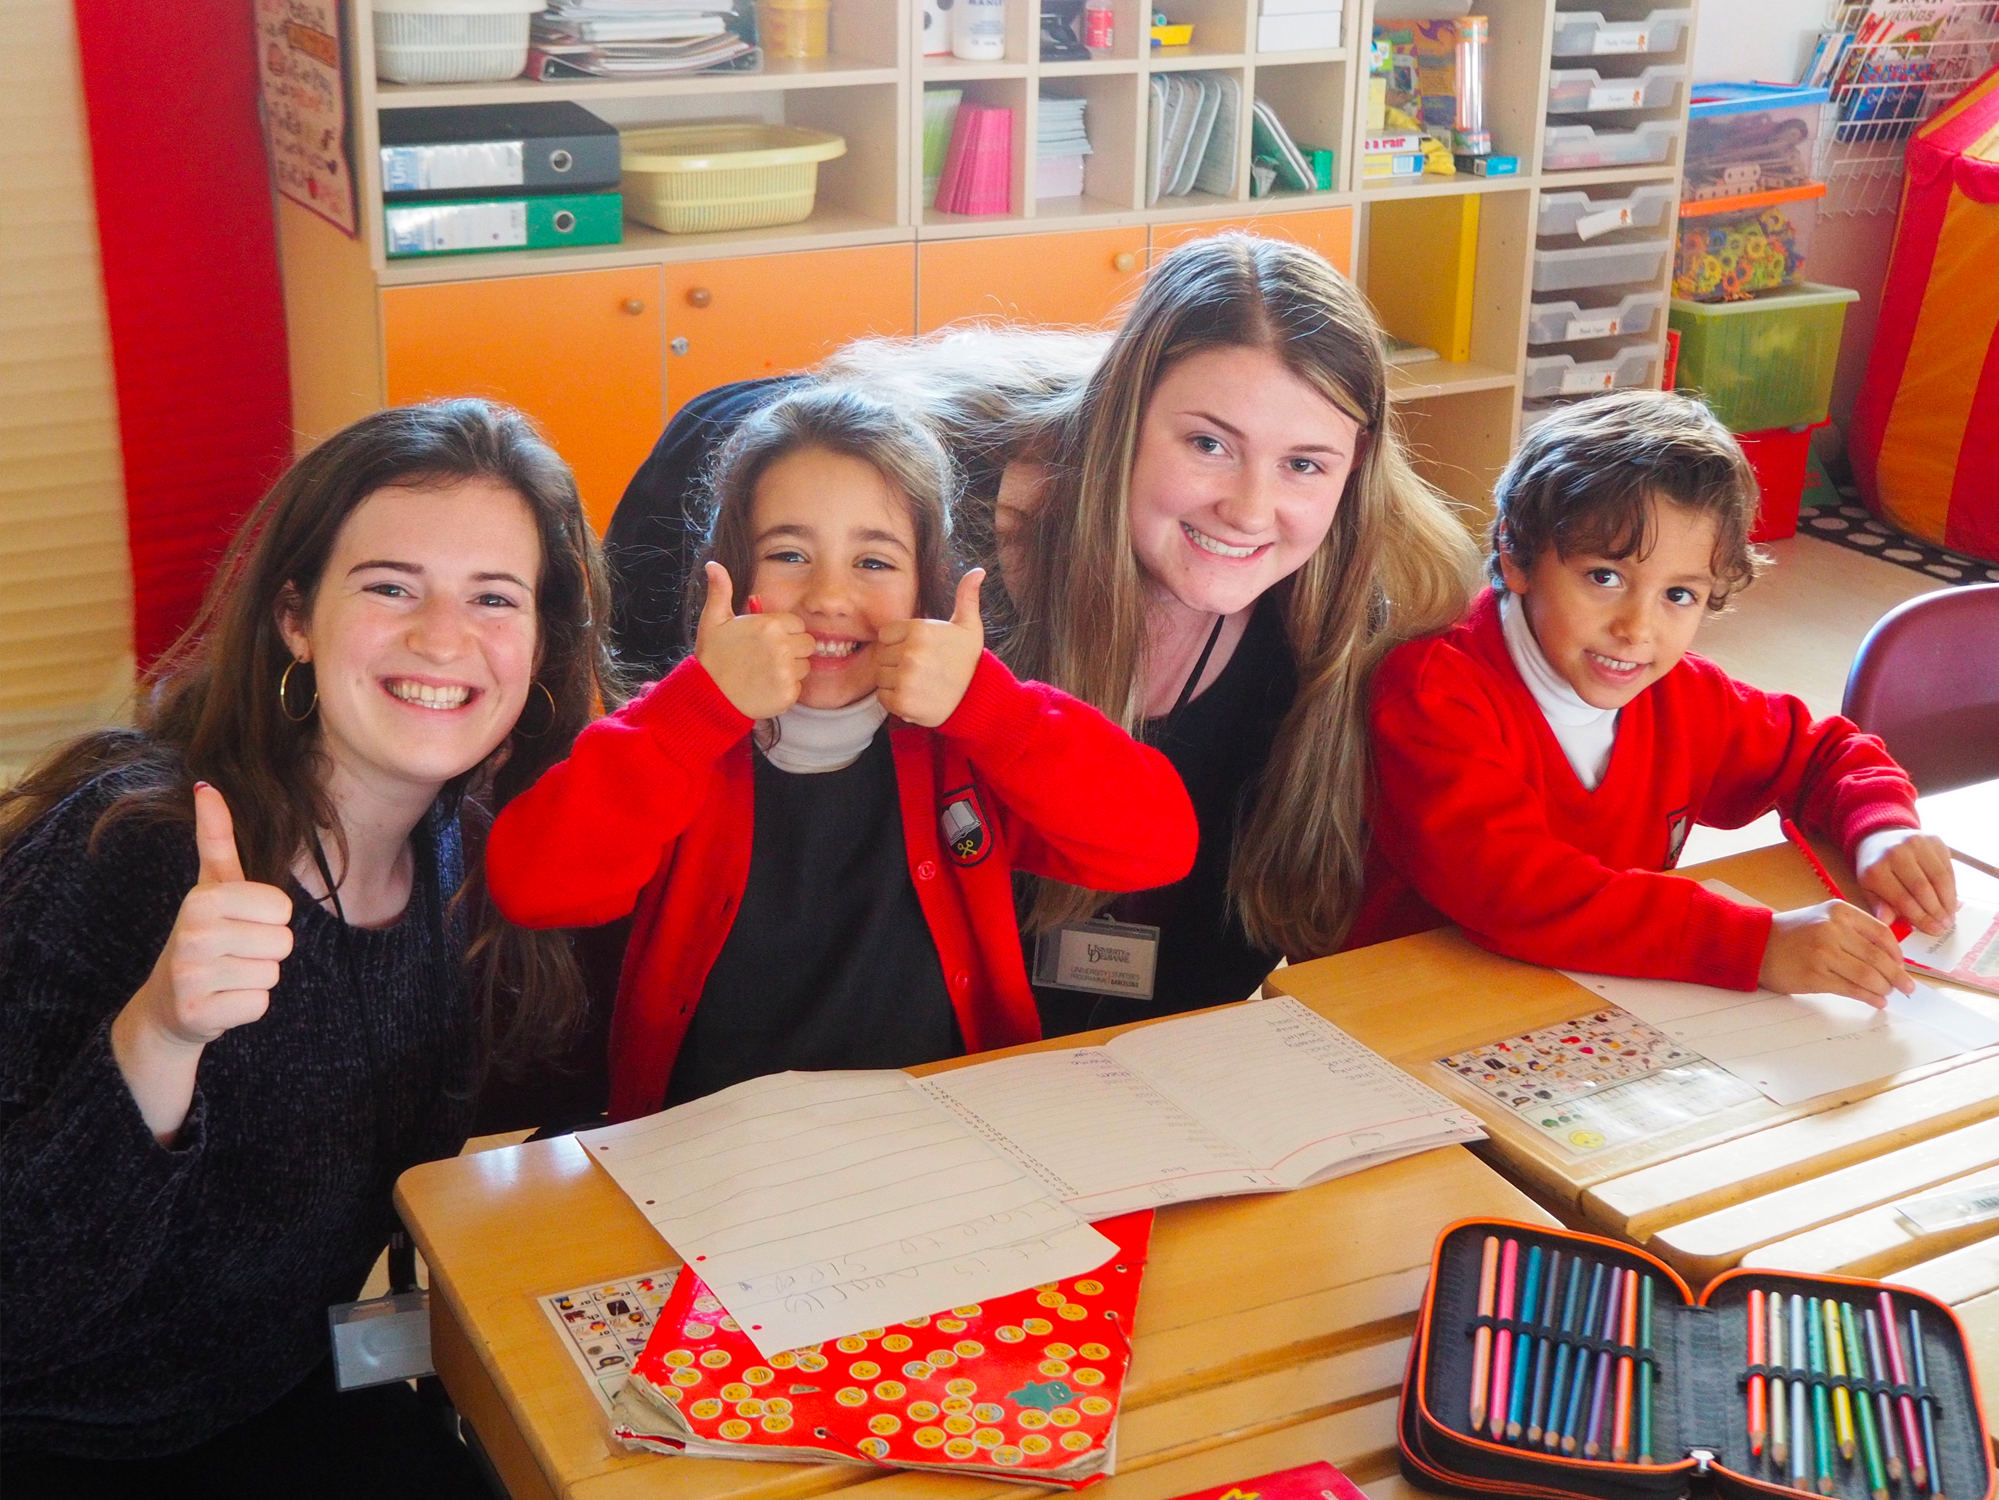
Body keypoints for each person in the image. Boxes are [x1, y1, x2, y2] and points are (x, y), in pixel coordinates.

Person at [604, 234, 1479, 1032]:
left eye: (1302, 464)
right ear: (1120, 418)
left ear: (1353, 467)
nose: (1249, 509)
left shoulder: (1376, 600)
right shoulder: (920, 551)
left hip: (1145, 1061)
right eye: (1208, 445)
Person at [0, 401, 617, 1497]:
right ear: (295, 616)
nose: (442, 637)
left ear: (541, 642)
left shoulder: (461, 857)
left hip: (293, 1392)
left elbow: (585, 1068)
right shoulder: (129, 849)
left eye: (493, 598)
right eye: (390, 586)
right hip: (64, 1438)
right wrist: (157, 1037)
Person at [485, 386, 1198, 1118]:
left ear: (927, 585)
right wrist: (695, 711)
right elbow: (536, 888)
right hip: (711, 1165)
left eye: (874, 562)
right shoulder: (679, 737)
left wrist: (990, 707)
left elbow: (1154, 847)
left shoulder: (965, 744)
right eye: (789, 554)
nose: (828, 596)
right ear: (731, 575)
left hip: (943, 1141)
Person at [1352, 391, 1957, 1001]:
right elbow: (1514, 892)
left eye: (1678, 596)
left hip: (1591, 1000)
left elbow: (1827, 755)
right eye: (1604, 577)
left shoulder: (1681, 695)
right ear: (1515, 554)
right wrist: (1755, 944)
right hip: (1406, 1008)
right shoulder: (1430, 694)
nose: (1637, 630)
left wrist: (1882, 831)